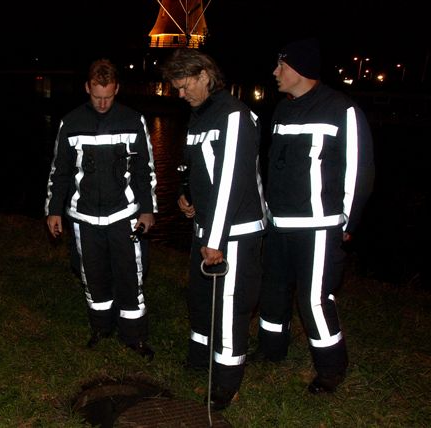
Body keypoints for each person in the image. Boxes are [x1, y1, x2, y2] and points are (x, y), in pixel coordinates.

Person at [253, 38, 375, 394]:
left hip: (319, 228)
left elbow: (359, 168)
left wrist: (349, 222)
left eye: (281, 67)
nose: (275, 73)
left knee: (313, 299)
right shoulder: (282, 110)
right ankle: (271, 350)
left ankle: (331, 369)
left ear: (300, 70)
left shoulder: (342, 109)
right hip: (279, 226)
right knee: (273, 291)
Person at [160, 49, 267, 410]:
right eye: (175, 88)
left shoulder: (234, 115)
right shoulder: (198, 116)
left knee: (230, 309)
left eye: (184, 85)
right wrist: (185, 197)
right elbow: (197, 171)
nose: (180, 94)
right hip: (207, 230)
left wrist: (215, 240)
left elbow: (230, 182)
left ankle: (225, 384)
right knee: (201, 299)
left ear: (205, 75)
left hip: (232, 233)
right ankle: (199, 359)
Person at [45, 59, 158, 361]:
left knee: (130, 276)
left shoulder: (134, 120)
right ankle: (100, 329)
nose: (103, 102)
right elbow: (60, 171)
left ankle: (133, 337)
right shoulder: (70, 122)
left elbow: (145, 171)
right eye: (97, 96)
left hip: (125, 217)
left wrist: (148, 210)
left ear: (117, 89)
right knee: (92, 277)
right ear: (87, 88)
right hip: (83, 218)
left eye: (108, 96)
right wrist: (53, 210)